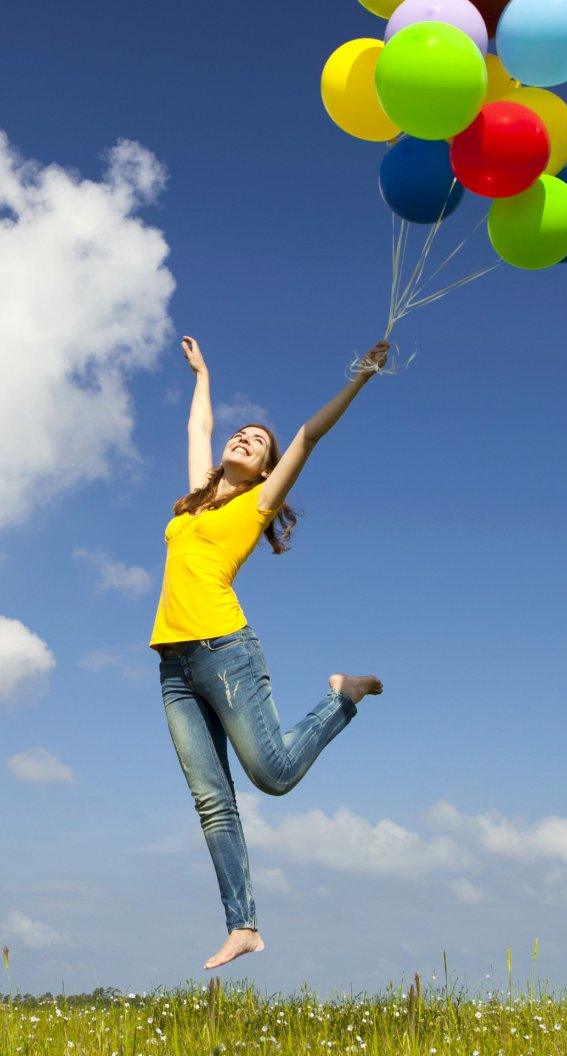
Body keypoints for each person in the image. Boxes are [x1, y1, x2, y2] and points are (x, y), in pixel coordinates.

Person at [154, 333, 389, 970]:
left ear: (265, 472)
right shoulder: (195, 503)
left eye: (258, 442)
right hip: (172, 666)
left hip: (224, 652)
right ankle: (244, 925)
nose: (244, 439)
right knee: (211, 799)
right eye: (242, 433)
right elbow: (198, 425)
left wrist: (360, 377)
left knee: (273, 776)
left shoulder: (258, 503)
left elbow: (309, 436)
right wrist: (204, 374)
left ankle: (342, 697)